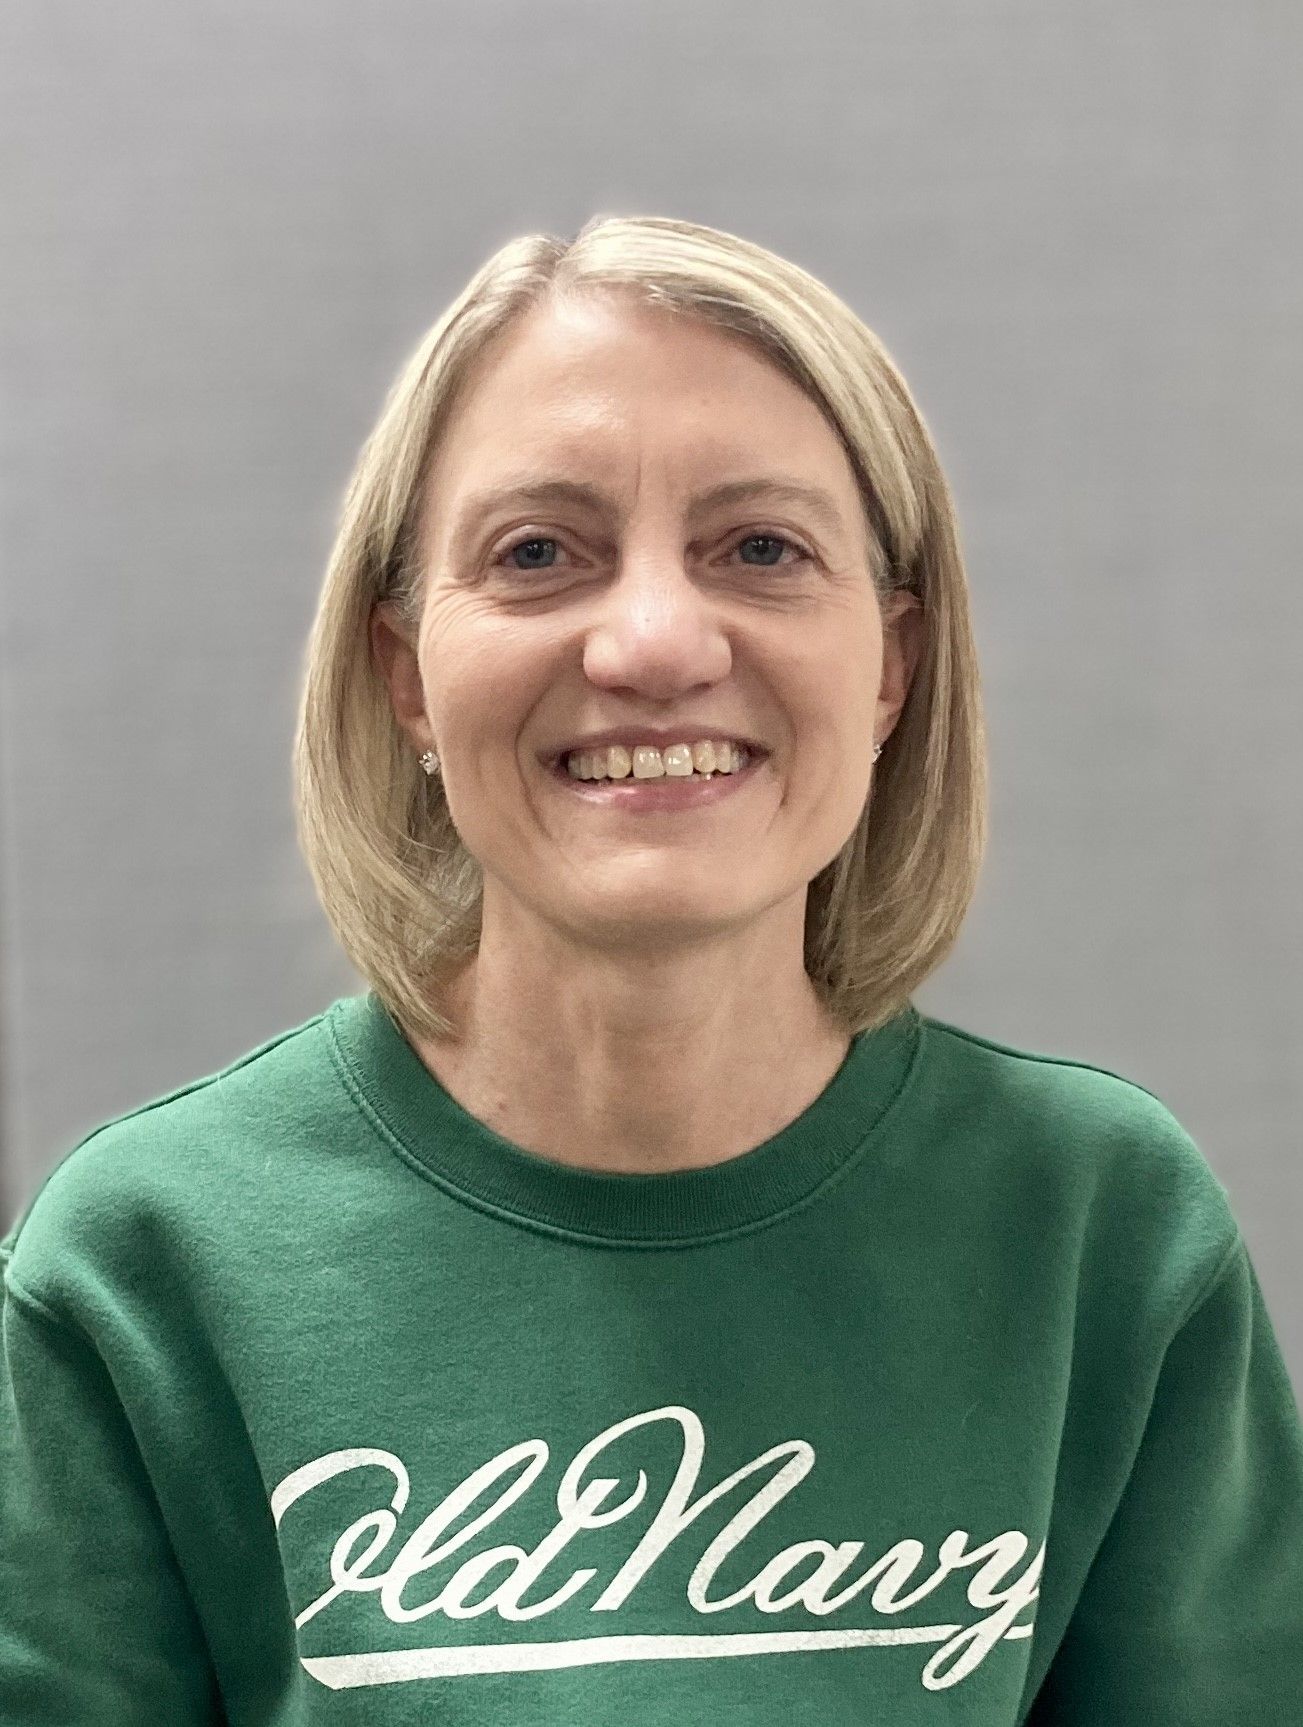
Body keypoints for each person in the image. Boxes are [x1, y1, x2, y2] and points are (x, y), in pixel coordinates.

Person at [2, 214, 1300, 1725]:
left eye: (761, 548)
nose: (656, 642)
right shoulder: (148, 1265)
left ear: (890, 669)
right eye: (539, 552)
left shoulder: (1102, 1235)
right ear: (405, 674)